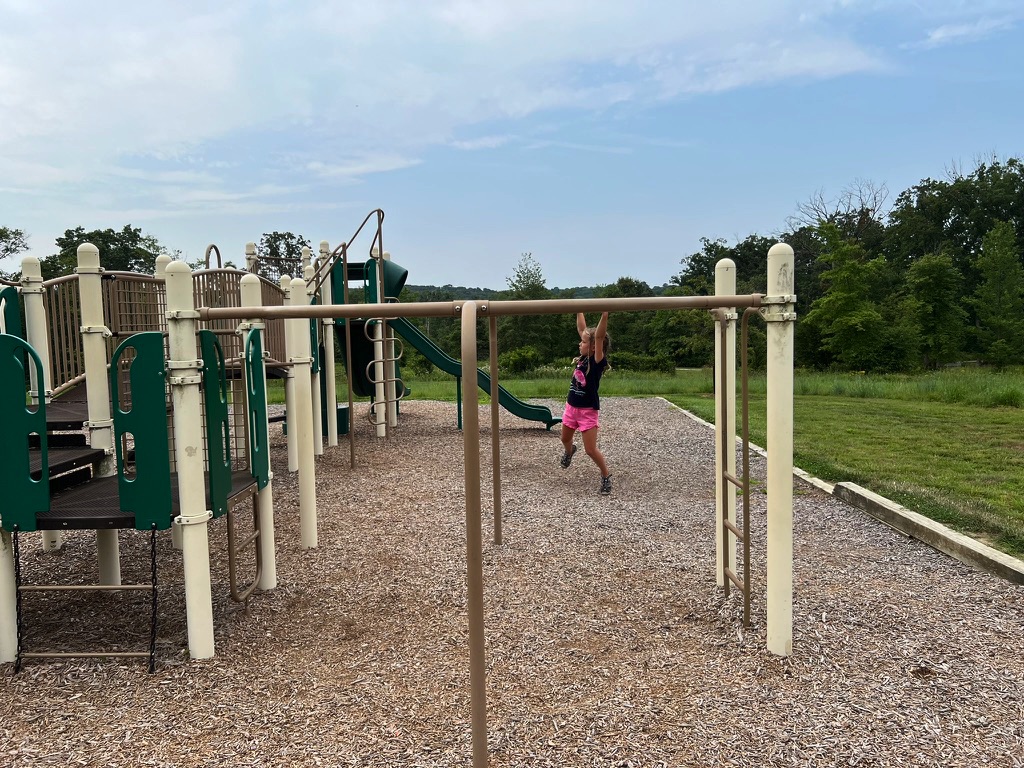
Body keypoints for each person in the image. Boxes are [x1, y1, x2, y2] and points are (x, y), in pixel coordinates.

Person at [560, 311, 612, 494]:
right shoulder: (582, 357)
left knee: (590, 450)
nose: (579, 344)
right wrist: (579, 309)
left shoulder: (596, 362)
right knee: (564, 438)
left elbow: (598, 336)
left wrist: (604, 315)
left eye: (583, 342)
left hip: (587, 411)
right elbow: (581, 328)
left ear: (593, 347)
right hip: (571, 407)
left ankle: (605, 475)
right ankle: (569, 451)